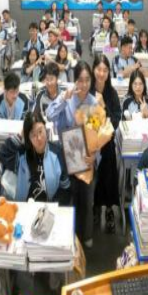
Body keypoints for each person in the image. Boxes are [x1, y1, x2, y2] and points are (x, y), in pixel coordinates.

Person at [46, 61, 99, 247]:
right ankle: (69, 236)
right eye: (80, 80)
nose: (84, 84)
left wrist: (94, 156)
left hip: (86, 157)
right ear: (75, 80)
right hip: (66, 155)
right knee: (69, 197)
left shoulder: (93, 103)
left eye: (87, 80)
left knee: (86, 198)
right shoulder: (67, 98)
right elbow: (49, 115)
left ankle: (86, 235)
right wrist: (63, 98)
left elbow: (97, 134)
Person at [1, 113, 71, 204]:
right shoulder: (21, 155)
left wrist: (54, 206)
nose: (39, 138)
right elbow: (3, 155)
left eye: (40, 131)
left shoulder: (57, 152)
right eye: (33, 135)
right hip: (24, 206)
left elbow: (65, 188)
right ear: (28, 137)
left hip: (48, 207)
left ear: (45, 128)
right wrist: (20, 135)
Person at [91, 55, 122, 234]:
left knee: (108, 175)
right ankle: (95, 206)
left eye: (105, 70)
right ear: (93, 69)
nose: (101, 73)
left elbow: (116, 118)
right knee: (93, 176)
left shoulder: (112, 93)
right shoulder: (88, 90)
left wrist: (103, 106)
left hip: (107, 141)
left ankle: (109, 209)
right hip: (91, 142)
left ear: (109, 72)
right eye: (99, 69)